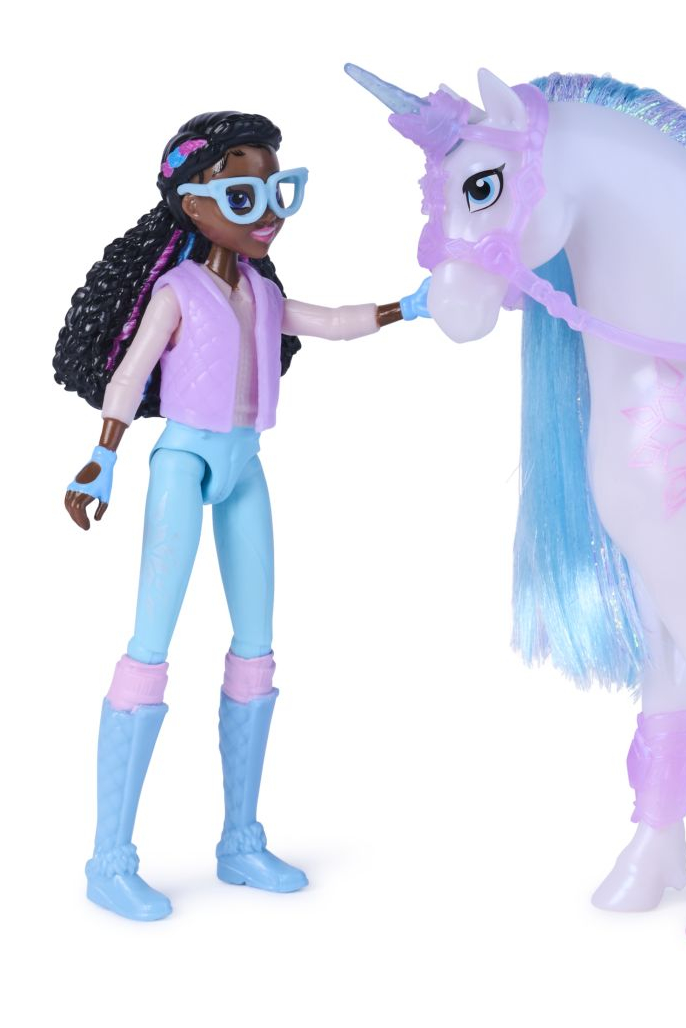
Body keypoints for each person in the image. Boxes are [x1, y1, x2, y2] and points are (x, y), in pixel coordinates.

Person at [54, 109, 428, 921]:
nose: (267, 212)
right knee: (150, 647)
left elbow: (329, 322)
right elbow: (131, 374)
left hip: (245, 466)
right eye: (243, 194)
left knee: (256, 647)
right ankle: (109, 861)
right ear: (192, 204)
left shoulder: (261, 291)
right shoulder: (176, 290)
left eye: (276, 191)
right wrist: (104, 454)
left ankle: (240, 841)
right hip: (182, 464)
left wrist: (409, 307)